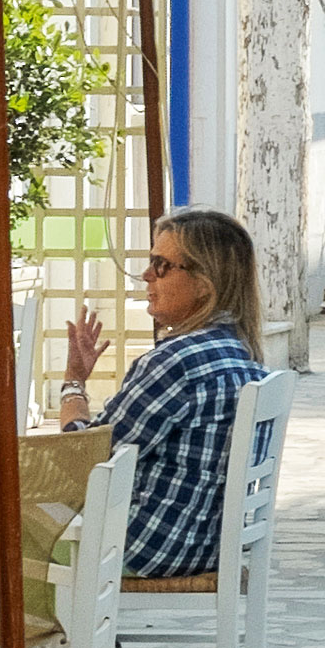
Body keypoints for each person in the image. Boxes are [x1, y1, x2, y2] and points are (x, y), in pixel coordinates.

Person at [59, 208, 267, 581]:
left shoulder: (176, 363)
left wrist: (73, 383)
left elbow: (81, 458)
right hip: (208, 545)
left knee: (4, 523)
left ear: (204, 284)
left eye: (161, 265)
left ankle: (34, 620)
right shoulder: (243, 355)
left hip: (148, 546)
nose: (146, 275)